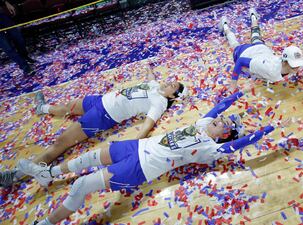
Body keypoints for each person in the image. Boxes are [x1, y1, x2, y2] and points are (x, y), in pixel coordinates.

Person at [21, 90, 283, 225]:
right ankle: (49, 174)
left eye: (224, 123)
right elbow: (217, 107)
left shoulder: (210, 149)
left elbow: (236, 147)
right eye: (221, 119)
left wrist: (265, 131)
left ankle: (46, 222)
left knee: (81, 185)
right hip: (136, 146)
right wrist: (236, 97)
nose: (219, 119)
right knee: (88, 157)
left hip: (140, 167)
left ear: (225, 134)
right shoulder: (203, 125)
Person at [0, 67, 188, 187]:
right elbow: (149, 78)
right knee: (68, 106)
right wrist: (150, 69)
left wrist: (132, 143)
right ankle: (42, 108)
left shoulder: (160, 102)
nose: (170, 82)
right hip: (100, 100)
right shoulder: (155, 85)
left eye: (173, 86)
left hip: (102, 116)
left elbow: (148, 124)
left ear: (173, 97)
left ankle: (15, 176)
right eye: (172, 80)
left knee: (60, 143)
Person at [0, 0, 35, 75]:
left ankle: (24, 56)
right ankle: (25, 66)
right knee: (7, 47)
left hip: (1, 15)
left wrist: (6, 2)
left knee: (18, 37)